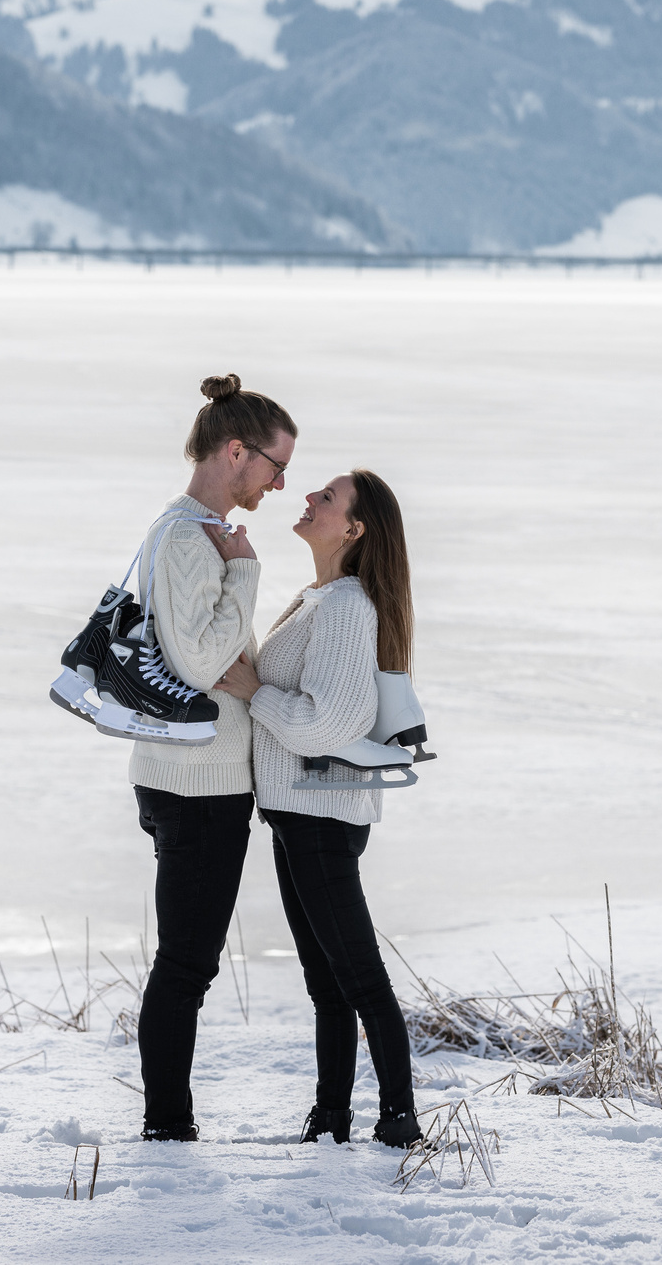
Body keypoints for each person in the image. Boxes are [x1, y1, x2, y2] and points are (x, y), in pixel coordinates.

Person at [215, 468, 423, 1149]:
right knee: (330, 982)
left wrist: (251, 690)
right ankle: (331, 1116)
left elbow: (326, 723)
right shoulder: (321, 597)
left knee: (357, 976)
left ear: (354, 530)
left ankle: (398, 1121)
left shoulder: (343, 608)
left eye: (326, 499)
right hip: (299, 811)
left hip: (321, 816)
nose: (308, 499)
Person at [130, 374, 297, 1142]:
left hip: (189, 776)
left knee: (185, 962)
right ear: (236, 451)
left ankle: (170, 1122)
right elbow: (200, 663)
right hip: (197, 786)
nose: (281, 481)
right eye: (274, 464)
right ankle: (168, 1128)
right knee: (187, 966)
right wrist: (248, 571)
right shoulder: (192, 537)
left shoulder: (192, 531)